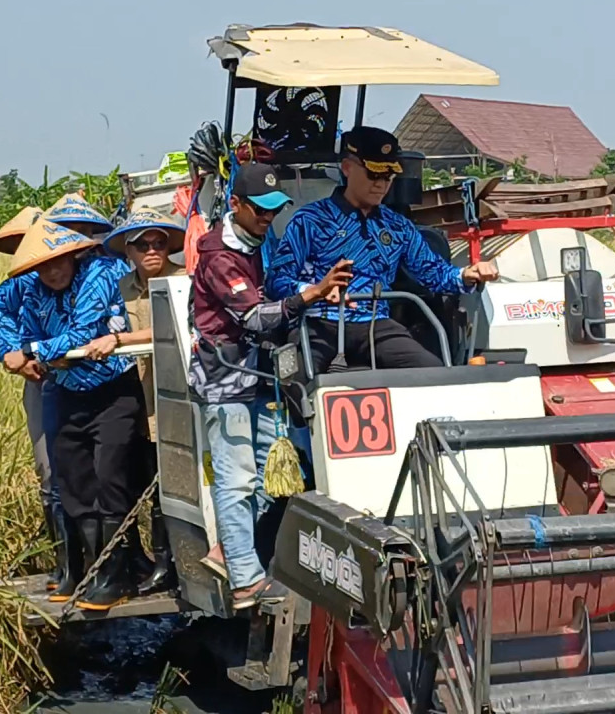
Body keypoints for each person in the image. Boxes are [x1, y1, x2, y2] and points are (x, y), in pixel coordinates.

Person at [190, 163, 352, 609]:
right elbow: (256, 315)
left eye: (273, 209)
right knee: (237, 478)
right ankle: (244, 580)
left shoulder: (258, 242)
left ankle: (230, 547)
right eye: (259, 210)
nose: (267, 217)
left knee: (273, 474)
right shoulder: (220, 257)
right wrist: (314, 293)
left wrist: (318, 293)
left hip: (260, 372)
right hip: (225, 379)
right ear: (236, 205)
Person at [266, 126, 500, 373]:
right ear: (347, 168)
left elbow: (433, 273)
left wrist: (466, 274)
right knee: (294, 378)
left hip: (376, 325)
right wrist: (314, 290)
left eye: (388, 177)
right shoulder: (309, 220)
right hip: (319, 322)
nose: (381, 184)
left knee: (433, 372)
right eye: (373, 174)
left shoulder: (398, 226)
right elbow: (276, 281)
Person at [6, 218, 152, 612]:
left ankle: (117, 575)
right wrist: (19, 350)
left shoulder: (99, 276)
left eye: (59, 262)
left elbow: (82, 332)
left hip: (112, 392)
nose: (52, 272)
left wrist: (32, 350)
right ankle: (93, 572)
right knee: (74, 483)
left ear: (73, 257)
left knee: (110, 480)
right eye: (43, 266)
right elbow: (16, 334)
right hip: (67, 392)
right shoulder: (33, 293)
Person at [88, 210, 188, 596]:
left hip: (177, 392)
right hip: (138, 394)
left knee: (173, 480)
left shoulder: (182, 281)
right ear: (128, 250)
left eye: (159, 243)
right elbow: (108, 327)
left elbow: (174, 326)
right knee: (141, 474)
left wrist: (122, 341)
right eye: (143, 244)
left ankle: (169, 562)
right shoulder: (121, 288)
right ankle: (143, 558)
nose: (152, 251)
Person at [0, 205, 69, 592]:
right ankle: (65, 561)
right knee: (49, 470)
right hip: (41, 383)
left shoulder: (77, 280)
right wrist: (14, 360)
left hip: (87, 379)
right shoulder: (12, 289)